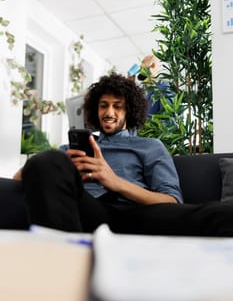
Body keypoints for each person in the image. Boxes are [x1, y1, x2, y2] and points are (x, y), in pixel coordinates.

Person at [10, 73, 233, 236]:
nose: (109, 112)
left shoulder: (150, 146)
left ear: (129, 112)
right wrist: (55, 169)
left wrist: (114, 182)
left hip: (137, 214)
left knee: (220, 214)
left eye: (118, 106)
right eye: (103, 106)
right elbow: (20, 179)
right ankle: (64, 263)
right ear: (95, 111)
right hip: (88, 211)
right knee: (50, 159)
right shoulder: (73, 150)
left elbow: (172, 201)